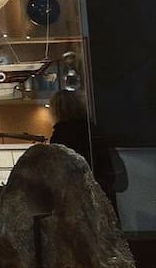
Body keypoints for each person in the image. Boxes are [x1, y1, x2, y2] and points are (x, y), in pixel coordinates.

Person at [49, 89, 126, 220]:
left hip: (79, 200)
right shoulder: (93, 129)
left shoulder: (61, 135)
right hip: (103, 193)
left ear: (56, 110)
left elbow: (59, 173)